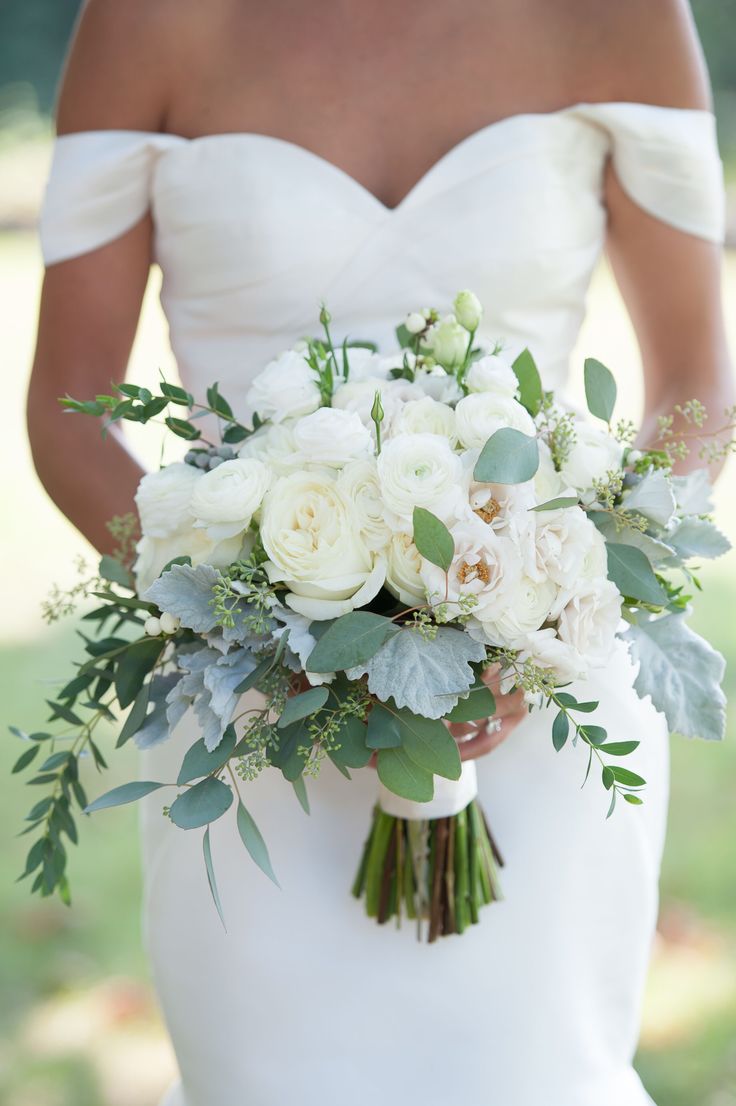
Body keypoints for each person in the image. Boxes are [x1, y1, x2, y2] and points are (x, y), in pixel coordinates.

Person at [28, 1, 733, 1103]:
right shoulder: (148, 20)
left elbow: (695, 383)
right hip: (253, 726)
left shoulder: (621, 15)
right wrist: (258, 630)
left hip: (537, 707)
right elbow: (68, 413)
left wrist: (543, 609)